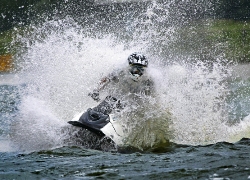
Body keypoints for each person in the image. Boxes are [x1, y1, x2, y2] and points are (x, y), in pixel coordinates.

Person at [88, 52, 155, 115]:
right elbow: (106, 80)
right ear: (129, 66)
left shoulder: (149, 80)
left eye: (141, 70)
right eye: (135, 69)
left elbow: (151, 98)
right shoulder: (120, 71)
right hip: (118, 98)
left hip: (134, 104)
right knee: (109, 101)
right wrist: (96, 90)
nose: (137, 73)